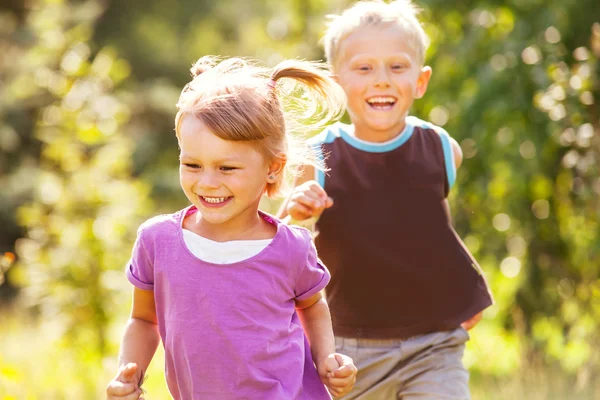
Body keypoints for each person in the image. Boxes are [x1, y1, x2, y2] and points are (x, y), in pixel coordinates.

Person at [105, 55, 358, 400]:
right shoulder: (157, 242)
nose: (207, 183)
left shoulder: (291, 247)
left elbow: (312, 305)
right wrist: (128, 373)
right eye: (192, 164)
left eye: (226, 168)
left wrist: (326, 357)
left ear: (273, 167)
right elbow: (143, 320)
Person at [278, 1, 494, 398]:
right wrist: (296, 209)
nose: (381, 80)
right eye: (364, 68)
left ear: (421, 80)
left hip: (433, 345)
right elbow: (283, 238)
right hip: (347, 348)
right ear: (338, 82)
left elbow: (429, 227)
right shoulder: (320, 155)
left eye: (397, 67)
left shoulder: (442, 149)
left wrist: (465, 289)